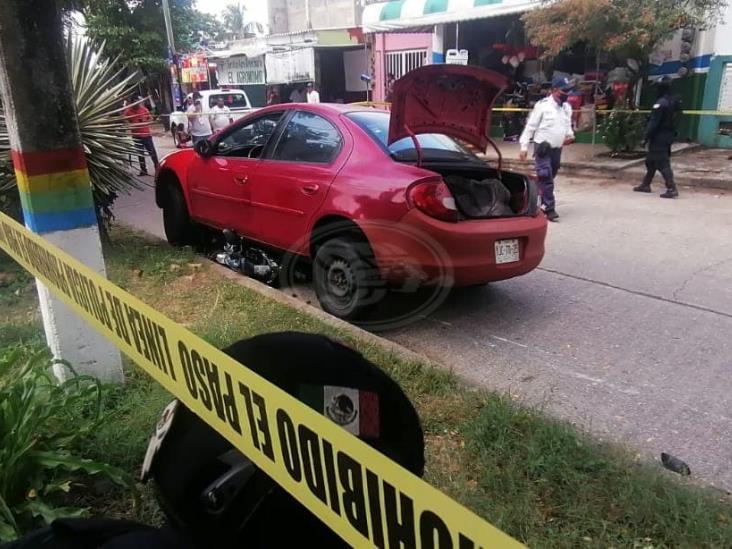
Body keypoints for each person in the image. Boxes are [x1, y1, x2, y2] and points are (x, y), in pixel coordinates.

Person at [518, 75, 576, 222]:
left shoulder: (567, 108)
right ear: (554, 90)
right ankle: (549, 208)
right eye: (563, 91)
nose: (566, 94)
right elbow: (530, 127)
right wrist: (524, 147)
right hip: (542, 147)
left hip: (557, 148)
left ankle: (530, 195)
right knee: (546, 176)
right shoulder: (542, 106)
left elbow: (567, 126)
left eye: (568, 91)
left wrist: (570, 135)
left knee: (549, 176)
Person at [633, 76, 680, 198]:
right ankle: (646, 184)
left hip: (659, 136)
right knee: (651, 161)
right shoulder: (674, 101)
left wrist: (645, 137)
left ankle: (672, 188)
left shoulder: (660, 104)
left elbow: (654, 123)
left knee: (662, 162)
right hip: (668, 135)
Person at [124, 97, 159, 176]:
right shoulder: (128, 112)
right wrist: (132, 125)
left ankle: (157, 168)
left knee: (152, 152)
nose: (137, 104)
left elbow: (150, 118)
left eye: (138, 103)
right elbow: (126, 122)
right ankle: (143, 170)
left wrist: (145, 121)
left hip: (146, 135)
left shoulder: (144, 110)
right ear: (132, 103)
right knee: (140, 154)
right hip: (136, 137)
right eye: (135, 103)